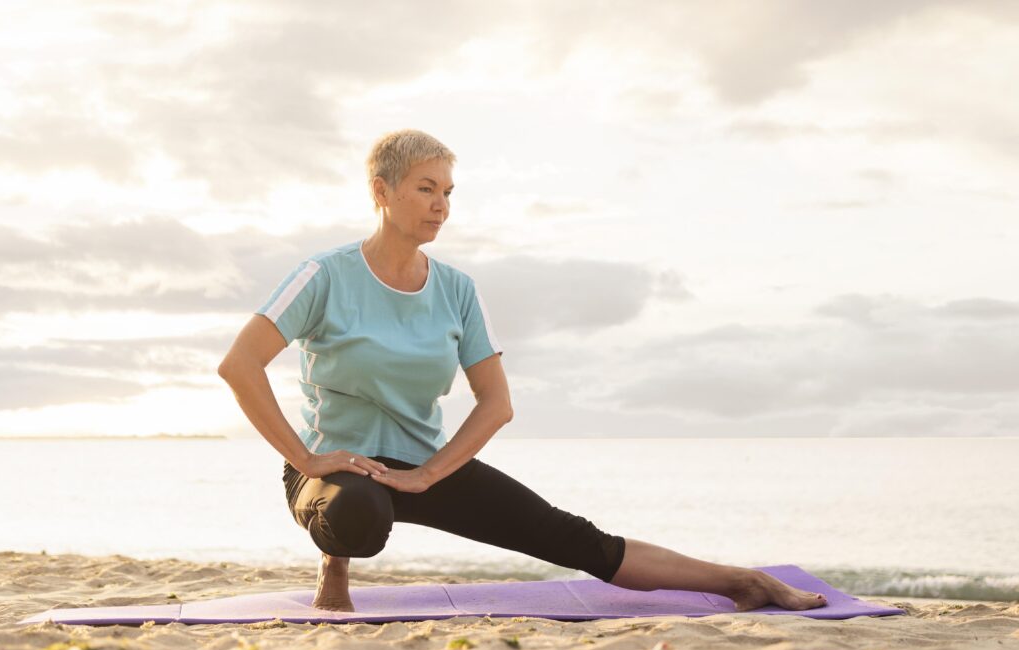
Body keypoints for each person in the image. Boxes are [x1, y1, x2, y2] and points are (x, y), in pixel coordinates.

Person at [218, 129, 828, 613]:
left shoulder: (457, 290)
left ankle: (742, 582)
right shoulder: (324, 275)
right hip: (337, 472)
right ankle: (335, 562)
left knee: (573, 538)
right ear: (382, 191)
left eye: (449, 192)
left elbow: (495, 403)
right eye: (426, 188)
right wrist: (308, 459)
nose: (441, 206)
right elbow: (239, 365)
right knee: (358, 515)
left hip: (425, 464)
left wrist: (431, 473)